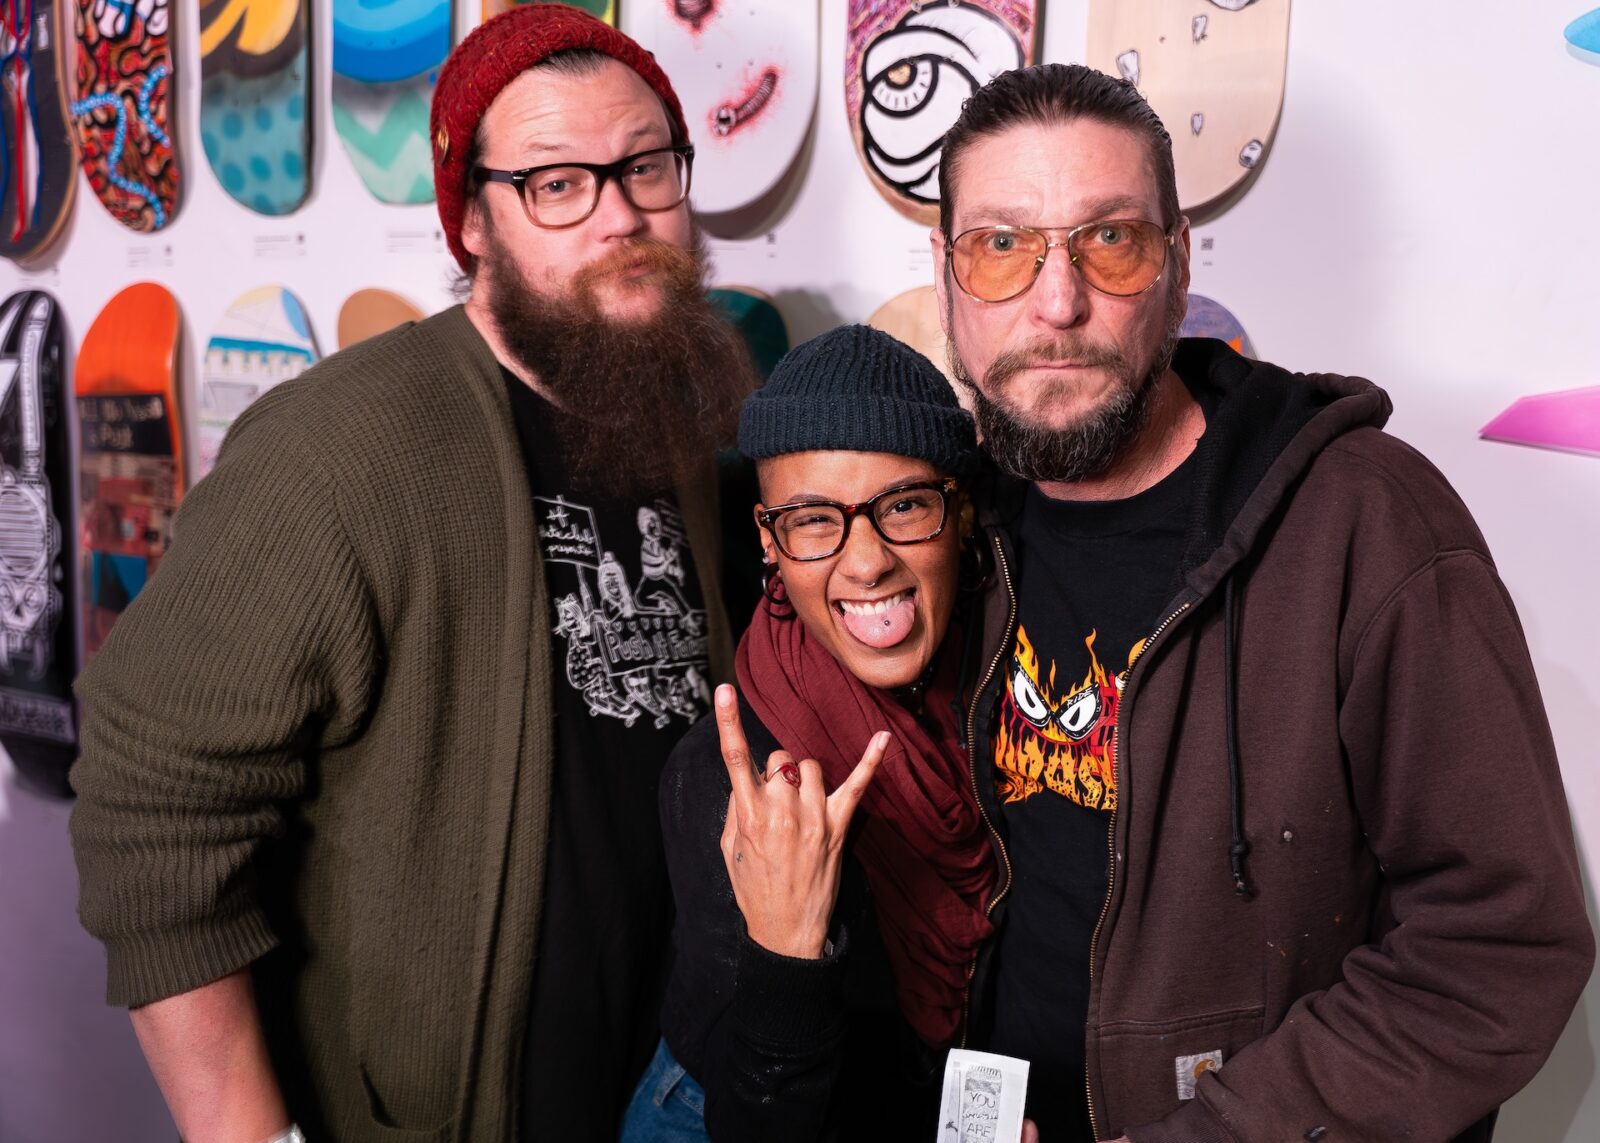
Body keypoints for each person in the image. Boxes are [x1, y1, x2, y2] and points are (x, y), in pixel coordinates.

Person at [68, 8, 756, 1141]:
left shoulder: (667, 407)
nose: (621, 214)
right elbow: (151, 802)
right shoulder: (338, 448)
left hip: (670, 1090)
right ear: (471, 221)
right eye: (556, 184)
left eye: (645, 166)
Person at [929, 63, 1595, 1142]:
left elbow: (1497, 947)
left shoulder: (1366, 524)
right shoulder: (951, 523)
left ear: (1179, 261)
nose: (1056, 303)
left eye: (1110, 239)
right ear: (947, 273)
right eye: (1002, 245)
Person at [622, 324, 1004, 1142]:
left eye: (904, 504)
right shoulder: (726, 780)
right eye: (814, 520)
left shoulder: (1023, 684)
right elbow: (758, 1120)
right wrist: (787, 948)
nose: (866, 562)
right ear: (771, 541)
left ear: (961, 509)